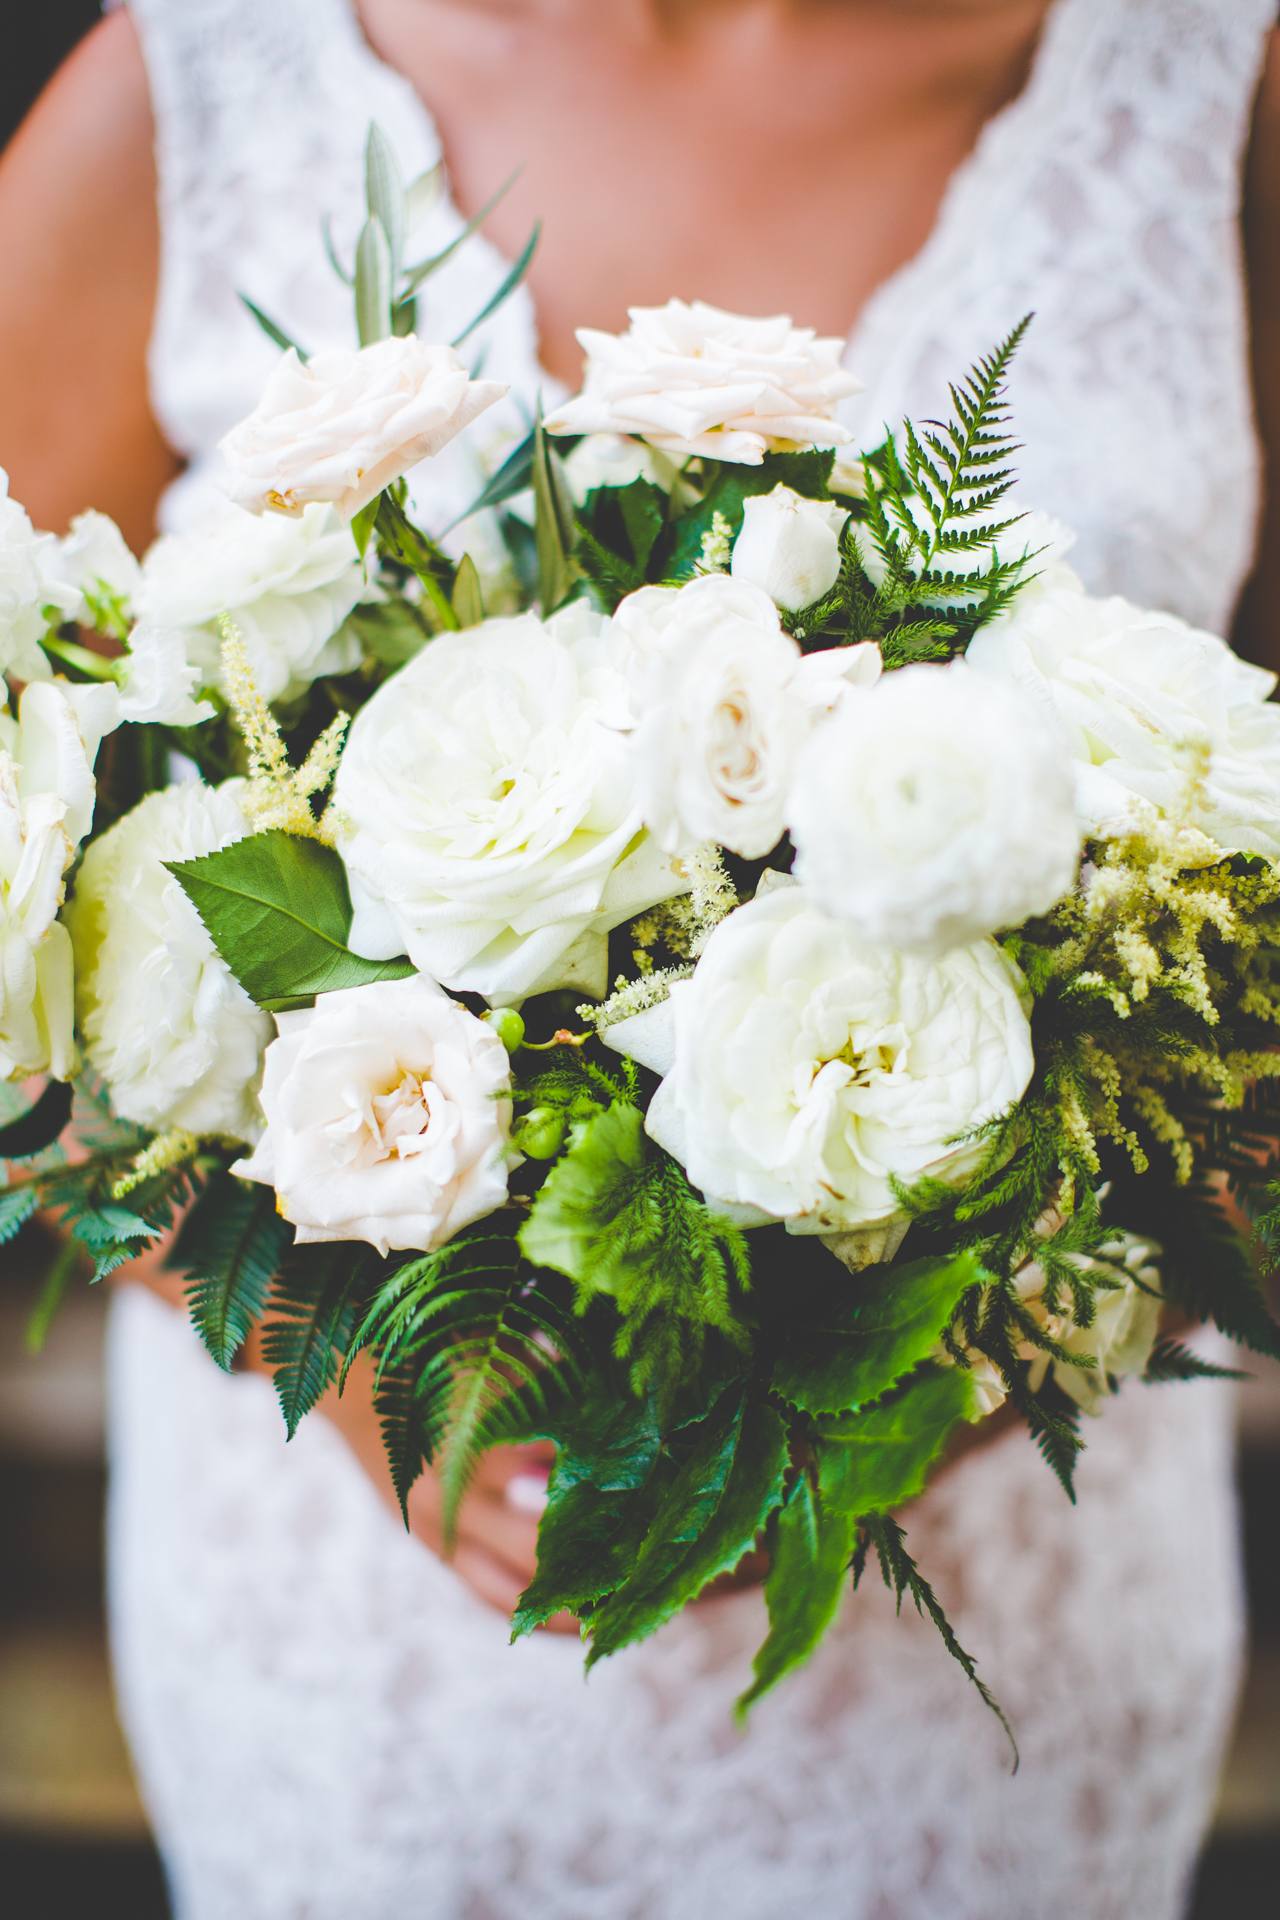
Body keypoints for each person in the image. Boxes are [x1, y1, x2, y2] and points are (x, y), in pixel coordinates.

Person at [0, 1, 1273, 1913]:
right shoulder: (206, 74)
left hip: (996, 1660)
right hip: (366, 1666)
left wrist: (976, 1354)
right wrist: (323, 1356)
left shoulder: (1211, 82)